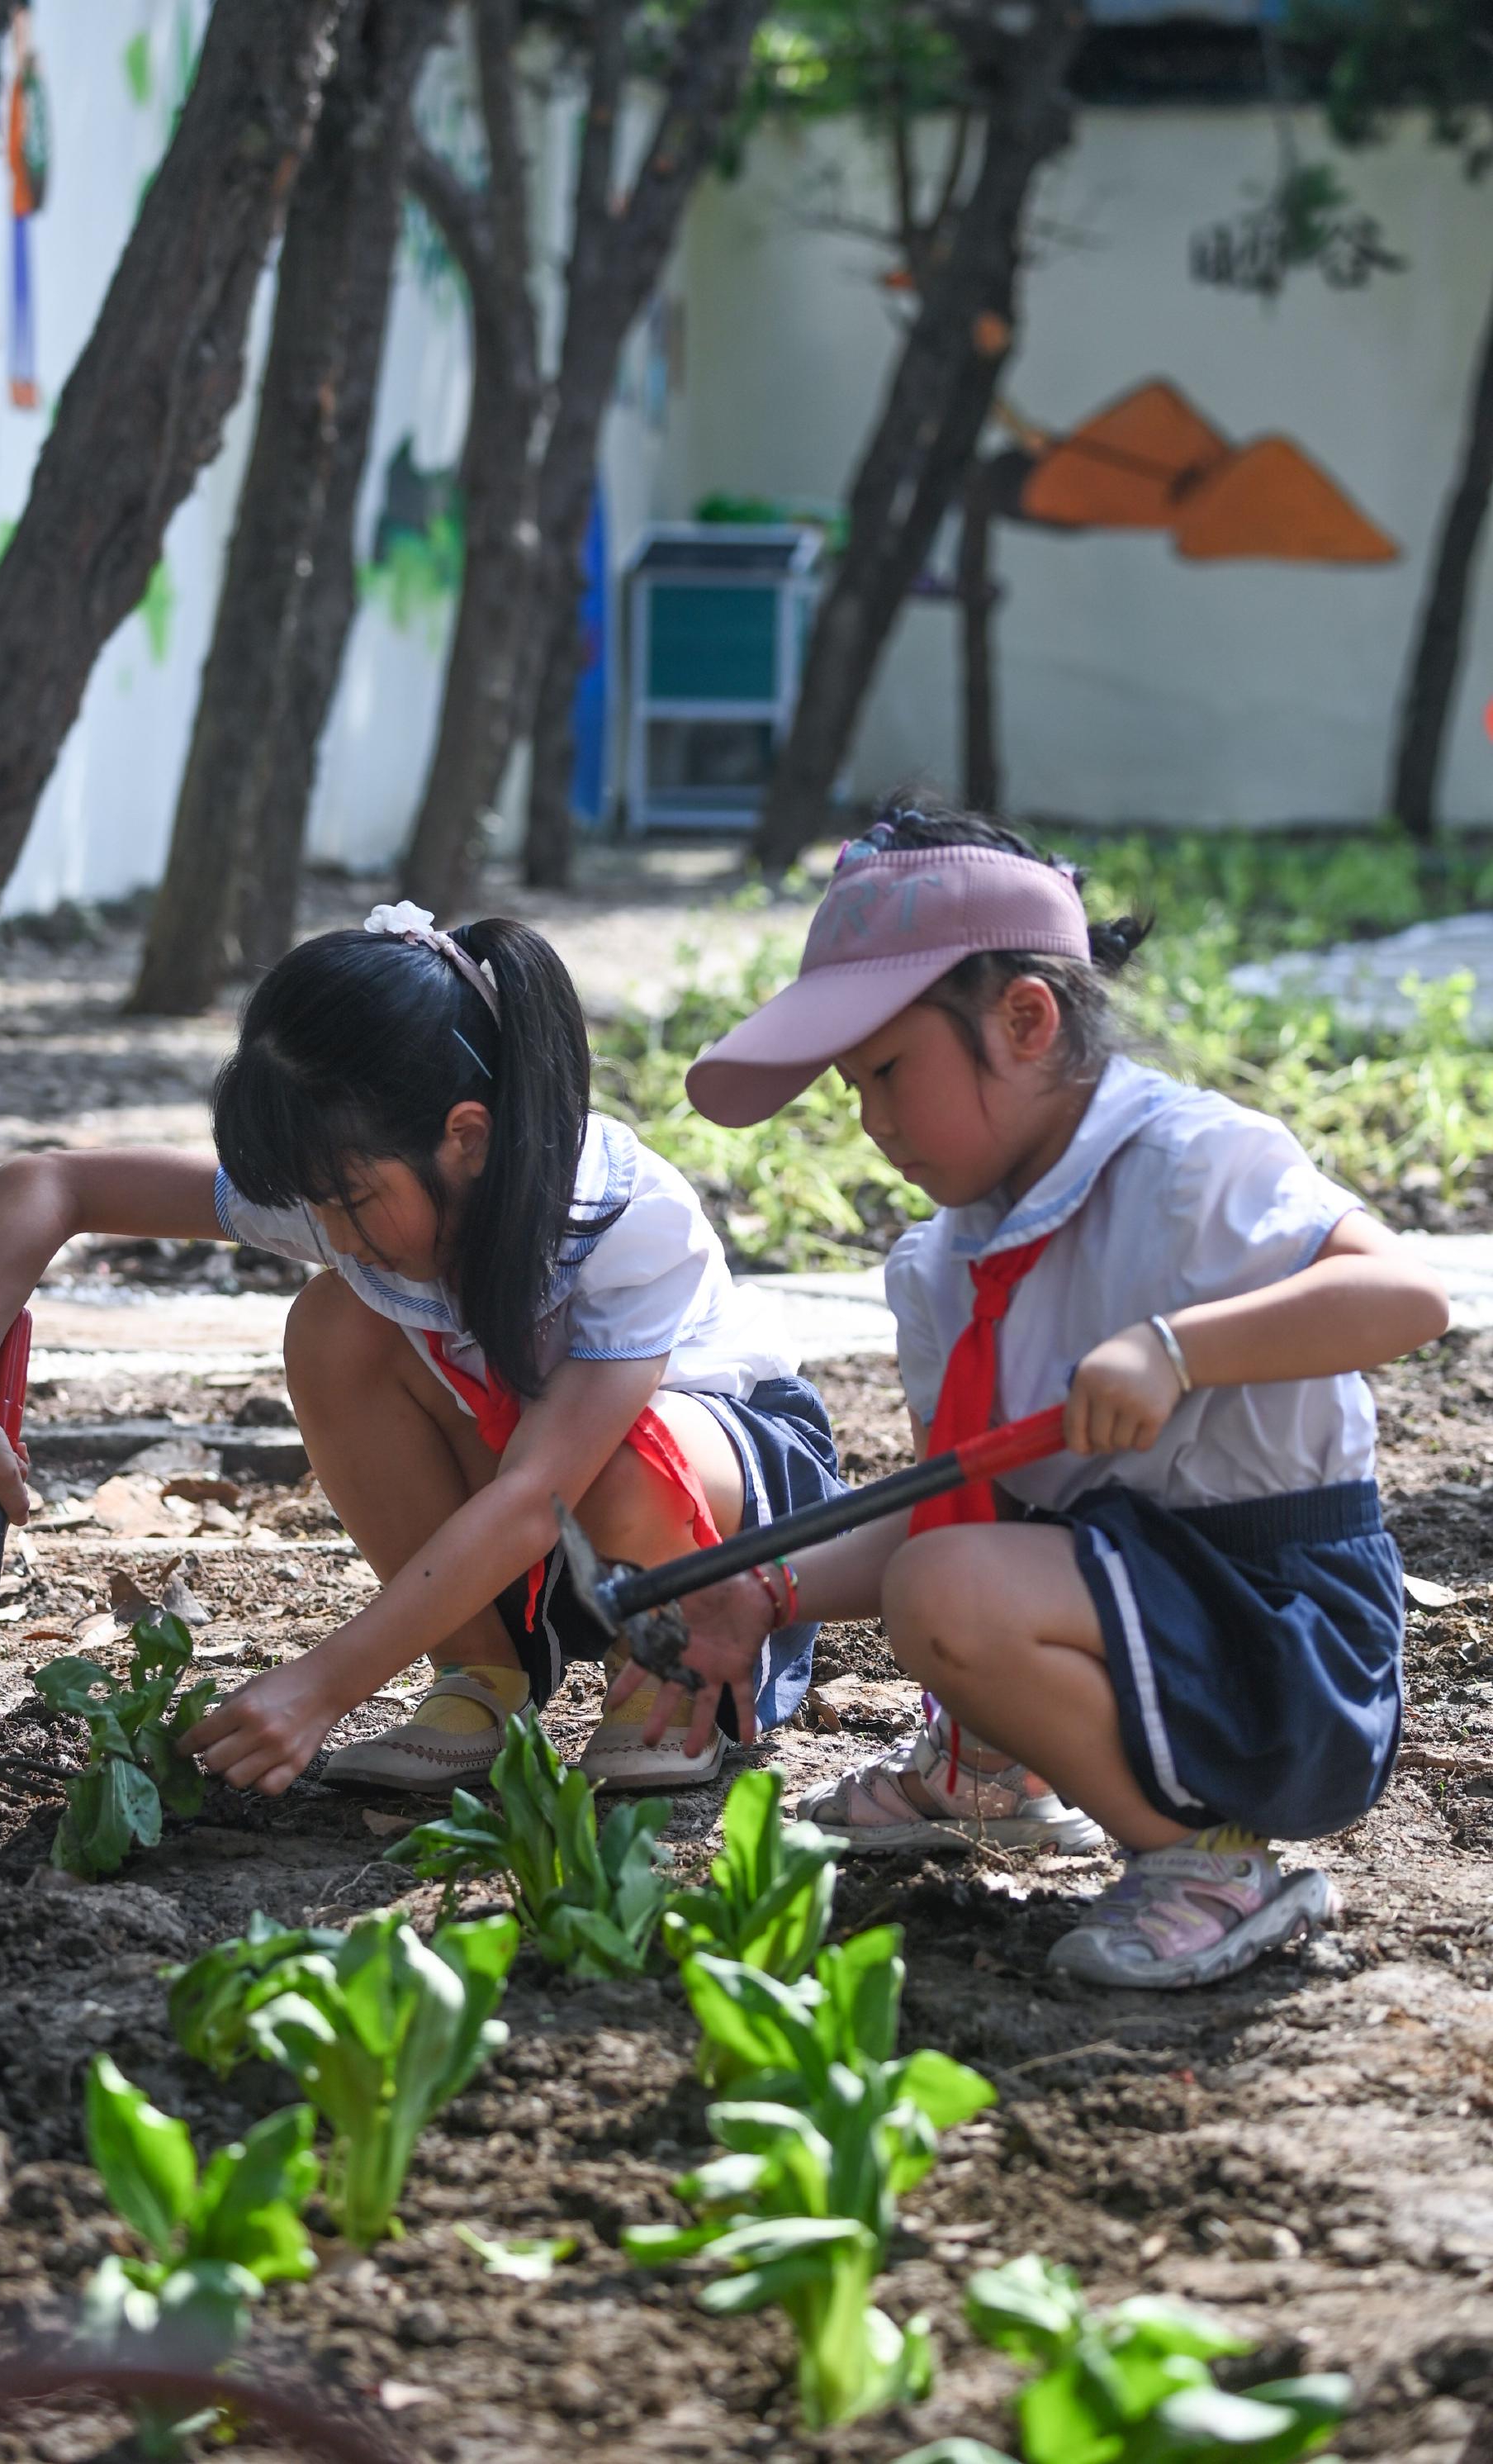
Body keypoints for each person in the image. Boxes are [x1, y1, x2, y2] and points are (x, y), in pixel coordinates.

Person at [609, 801, 1448, 1990]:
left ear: (1025, 1018)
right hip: (1138, 1610)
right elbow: (960, 1517)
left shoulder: (1191, 1165)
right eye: (853, 1087)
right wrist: (769, 1592)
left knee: (949, 1581)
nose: (874, 1121)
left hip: (1286, 1635)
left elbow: (1406, 1296)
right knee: (946, 1573)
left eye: (891, 1070)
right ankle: (996, 1768)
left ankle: (1210, 1866)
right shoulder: (944, 1266)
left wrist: (1179, 1348)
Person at [0, 906, 843, 1797]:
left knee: (621, 1461)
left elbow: (539, 1493)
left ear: (466, 1138)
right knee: (333, 1322)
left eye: (348, 1203)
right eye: (315, 1205)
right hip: (537, 1523)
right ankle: (482, 1680)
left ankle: (670, 1671)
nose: (332, 1231)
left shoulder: (620, 1218)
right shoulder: (354, 1180)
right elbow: (46, 1185)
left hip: (714, 1512)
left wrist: (323, 1685)